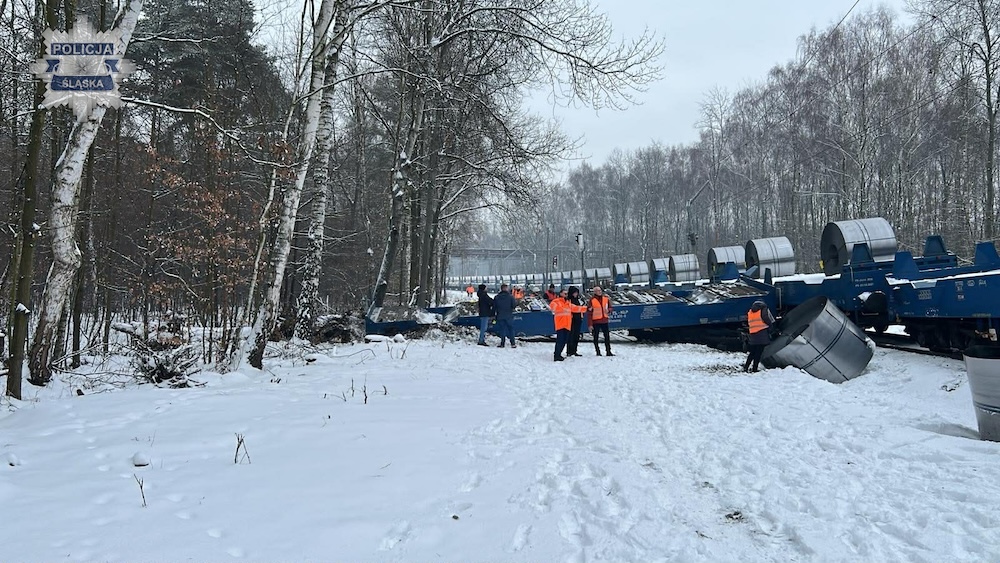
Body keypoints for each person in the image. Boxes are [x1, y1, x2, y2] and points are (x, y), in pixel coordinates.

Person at [549, 287, 588, 361]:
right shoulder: (556, 301)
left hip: (567, 325)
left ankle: (559, 354)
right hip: (560, 324)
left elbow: (577, 308)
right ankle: (557, 355)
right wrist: (563, 307)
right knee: (560, 340)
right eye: (564, 293)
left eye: (567, 294)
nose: (566, 295)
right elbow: (553, 308)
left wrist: (587, 308)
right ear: (560, 293)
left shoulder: (568, 303)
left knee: (564, 341)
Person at [744, 299, 776, 372]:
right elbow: (765, 318)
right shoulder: (763, 309)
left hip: (753, 333)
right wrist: (771, 326)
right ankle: (755, 368)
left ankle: (746, 367)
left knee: (752, 352)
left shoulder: (750, 311)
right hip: (761, 332)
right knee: (759, 351)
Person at [588, 285, 614, 356]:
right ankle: (598, 351)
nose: (599, 292)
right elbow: (589, 313)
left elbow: (611, 308)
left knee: (607, 337)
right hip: (596, 321)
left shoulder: (606, 299)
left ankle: (608, 351)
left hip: (604, 320)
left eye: (600, 290)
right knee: (595, 337)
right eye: (597, 291)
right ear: (594, 292)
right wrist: (590, 324)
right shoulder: (592, 300)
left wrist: (608, 310)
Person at [492, 283, 517, 348]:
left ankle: (502, 343)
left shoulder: (497, 297)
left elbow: (494, 307)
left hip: (500, 315)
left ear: (501, 289)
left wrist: (493, 315)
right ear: (506, 289)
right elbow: (514, 305)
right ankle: (513, 343)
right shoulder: (511, 297)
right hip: (509, 315)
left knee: (502, 330)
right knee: (511, 329)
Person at [566, 286, 584, 357]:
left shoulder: (578, 300)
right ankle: (569, 351)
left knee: (576, 335)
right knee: (571, 335)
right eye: (575, 293)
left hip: (578, 319)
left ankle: (574, 350)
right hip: (571, 319)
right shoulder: (569, 300)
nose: (576, 294)